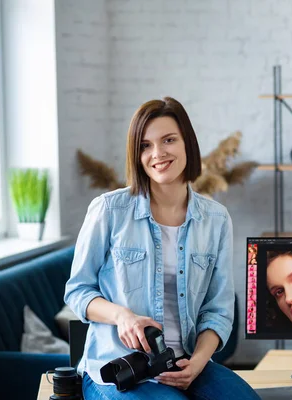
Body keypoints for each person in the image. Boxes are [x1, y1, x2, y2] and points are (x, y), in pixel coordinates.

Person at [64, 97, 261, 400]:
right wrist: (123, 316)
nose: (158, 153)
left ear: (187, 144)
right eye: (145, 145)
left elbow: (218, 311)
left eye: (168, 140)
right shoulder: (109, 210)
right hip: (119, 368)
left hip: (186, 362)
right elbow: (78, 291)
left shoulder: (216, 219)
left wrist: (197, 363)